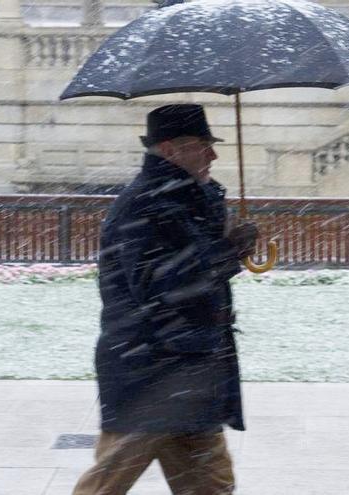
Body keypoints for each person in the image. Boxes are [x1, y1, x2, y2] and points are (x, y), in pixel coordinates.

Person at [73, 104, 258, 495]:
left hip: (191, 372)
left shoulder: (189, 200)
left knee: (212, 486)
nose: (214, 155)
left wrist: (227, 240)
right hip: (151, 376)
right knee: (107, 483)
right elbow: (165, 287)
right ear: (171, 149)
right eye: (203, 145)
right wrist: (227, 252)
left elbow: (191, 272)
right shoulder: (144, 205)